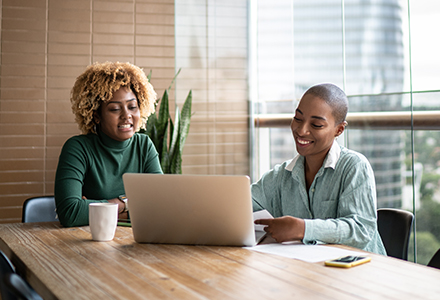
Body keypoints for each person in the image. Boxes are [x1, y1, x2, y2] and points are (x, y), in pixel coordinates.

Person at [252, 83, 386, 255]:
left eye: (316, 125)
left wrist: (302, 228)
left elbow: (361, 230)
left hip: (360, 270)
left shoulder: (354, 166)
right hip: (312, 270)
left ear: (339, 130)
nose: (301, 130)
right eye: (298, 119)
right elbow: (241, 204)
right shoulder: (282, 175)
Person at [55, 62, 163, 227]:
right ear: (96, 115)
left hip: (135, 242)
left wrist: (104, 207)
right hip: (89, 244)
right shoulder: (78, 148)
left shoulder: (144, 145)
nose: (127, 115)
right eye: (115, 109)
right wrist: (132, 206)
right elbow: (71, 213)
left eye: (132, 107)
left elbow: (161, 205)